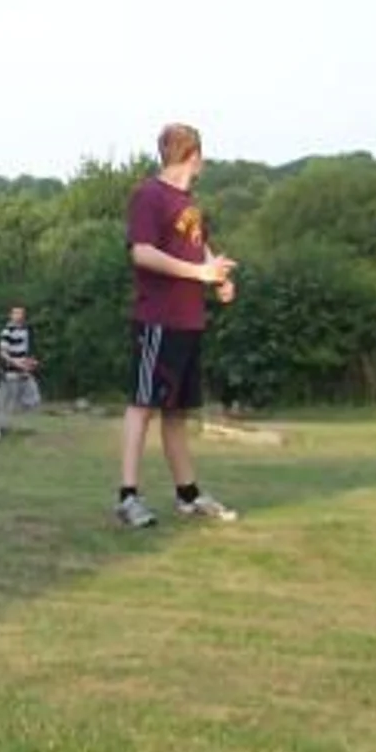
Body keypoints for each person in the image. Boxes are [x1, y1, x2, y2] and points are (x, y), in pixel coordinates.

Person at [116, 122, 240, 528]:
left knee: (176, 412)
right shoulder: (149, 195)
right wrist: (199, 273)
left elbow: (198, 249)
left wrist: (217, 278)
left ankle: (188, 494)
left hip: (189, 321)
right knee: (142, 405)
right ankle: (128, 497)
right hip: (158, 319)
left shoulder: (188, 203)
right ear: (194, 156)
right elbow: (142, 252)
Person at [0, 304, 40, 379]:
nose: (19, 316)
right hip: (11, 369)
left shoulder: (27, 330)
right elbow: (3, 353)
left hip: (25, 368)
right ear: (10, 315)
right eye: (16, 313)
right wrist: (15, 362)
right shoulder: (7, 331)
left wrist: (31, 360)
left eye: (21, 313)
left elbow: (29, 350)